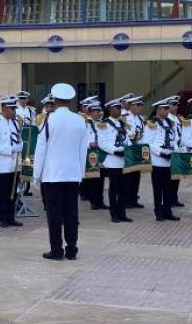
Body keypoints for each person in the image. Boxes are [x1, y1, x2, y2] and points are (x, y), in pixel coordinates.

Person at [33, 83, 88, 261]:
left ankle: (56, 249)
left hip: (52, 174)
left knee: (54, 213)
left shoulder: (48, 120)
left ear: (54, 100)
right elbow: (83, 149)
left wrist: (37, 174)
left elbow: (41, 148)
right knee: (72, 212)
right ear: (69, 100)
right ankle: (72, 249)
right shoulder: (80, 120)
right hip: (73, 173)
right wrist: (81, 172)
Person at [0, 95, 23, 227]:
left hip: (13, 165)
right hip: (2, 165)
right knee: (2, 194)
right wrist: (12, 149)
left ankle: (11, 217)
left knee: (13, 192)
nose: (14, 111)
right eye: (11, 108)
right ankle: (3, 219)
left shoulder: (16, 122)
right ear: (4, 108)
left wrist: (20, 146)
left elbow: (19, 139)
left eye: (14, 108)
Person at [144, 99, 180, 222]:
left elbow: (174, 139)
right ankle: (158, 211)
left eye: (167, 108)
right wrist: (160, 152)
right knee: (158, 188)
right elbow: (147, 142)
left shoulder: (170, 123)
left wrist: (175, 150)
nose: (167, 111)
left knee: (169, 188)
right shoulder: (152, 123)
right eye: (164, 109)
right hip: (158, 160)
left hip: (169, 160)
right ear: (158, 110)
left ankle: (168, 210)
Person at [99, 97, 132, 223]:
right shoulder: (104, 124)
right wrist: (115, 150)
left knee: (125, 188)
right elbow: (102, 142)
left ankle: (122, 212)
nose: (118, 110)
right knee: (114, 189)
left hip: (124, 160)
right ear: (109, 109)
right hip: (113, 160)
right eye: (115, 108)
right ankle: (114, 214)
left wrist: (127, 148)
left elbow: (127, 139)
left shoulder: (122, 123)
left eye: (119, 108)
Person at [84, 101, 108, 210]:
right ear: (90, 112)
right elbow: (82, 139)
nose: (97, 113)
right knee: (93, 178)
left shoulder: (102, 124)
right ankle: (93, 201)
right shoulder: (86, 124)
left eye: (98, 111)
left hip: (101, 153)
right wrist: (90, 143)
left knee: (101, 178)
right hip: (91, 153)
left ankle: (100, 201)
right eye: (95, 111)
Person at [123, 95, 146, 209]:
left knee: (136, 176)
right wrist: (137, 136)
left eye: (141, 105)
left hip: (138, 149)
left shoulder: (140, 118)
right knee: (128, 177)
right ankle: (127, 200)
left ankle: (133, 199)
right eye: (138, 105)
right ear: (131, 105)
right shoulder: (126, 117)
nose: (140, 107)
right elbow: (127, 134)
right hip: (130, 149)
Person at [166, 96, 185, 208]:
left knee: (177, 176)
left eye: (176, 105)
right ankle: (170, 199)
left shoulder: (178, 118)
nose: (176, 107)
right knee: (170, 178)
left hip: (179, 149)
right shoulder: (167, 118)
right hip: (172, 149)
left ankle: (174, 198)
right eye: (173, 105)